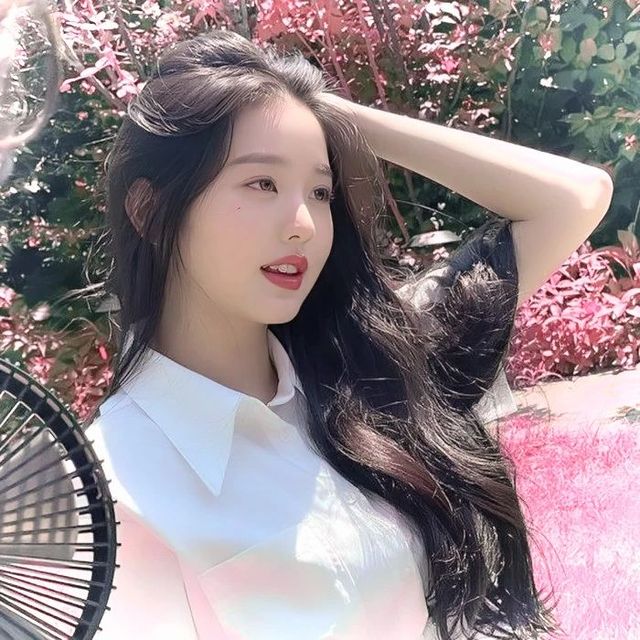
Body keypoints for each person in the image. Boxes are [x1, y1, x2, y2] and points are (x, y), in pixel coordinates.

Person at [83, 26, 616, 639]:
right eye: (262, 183)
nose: (304, 224)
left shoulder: (373, 367)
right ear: (150, 210)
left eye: (320, 191)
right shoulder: (113, 488)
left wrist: (315, 106)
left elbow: (575, 197)